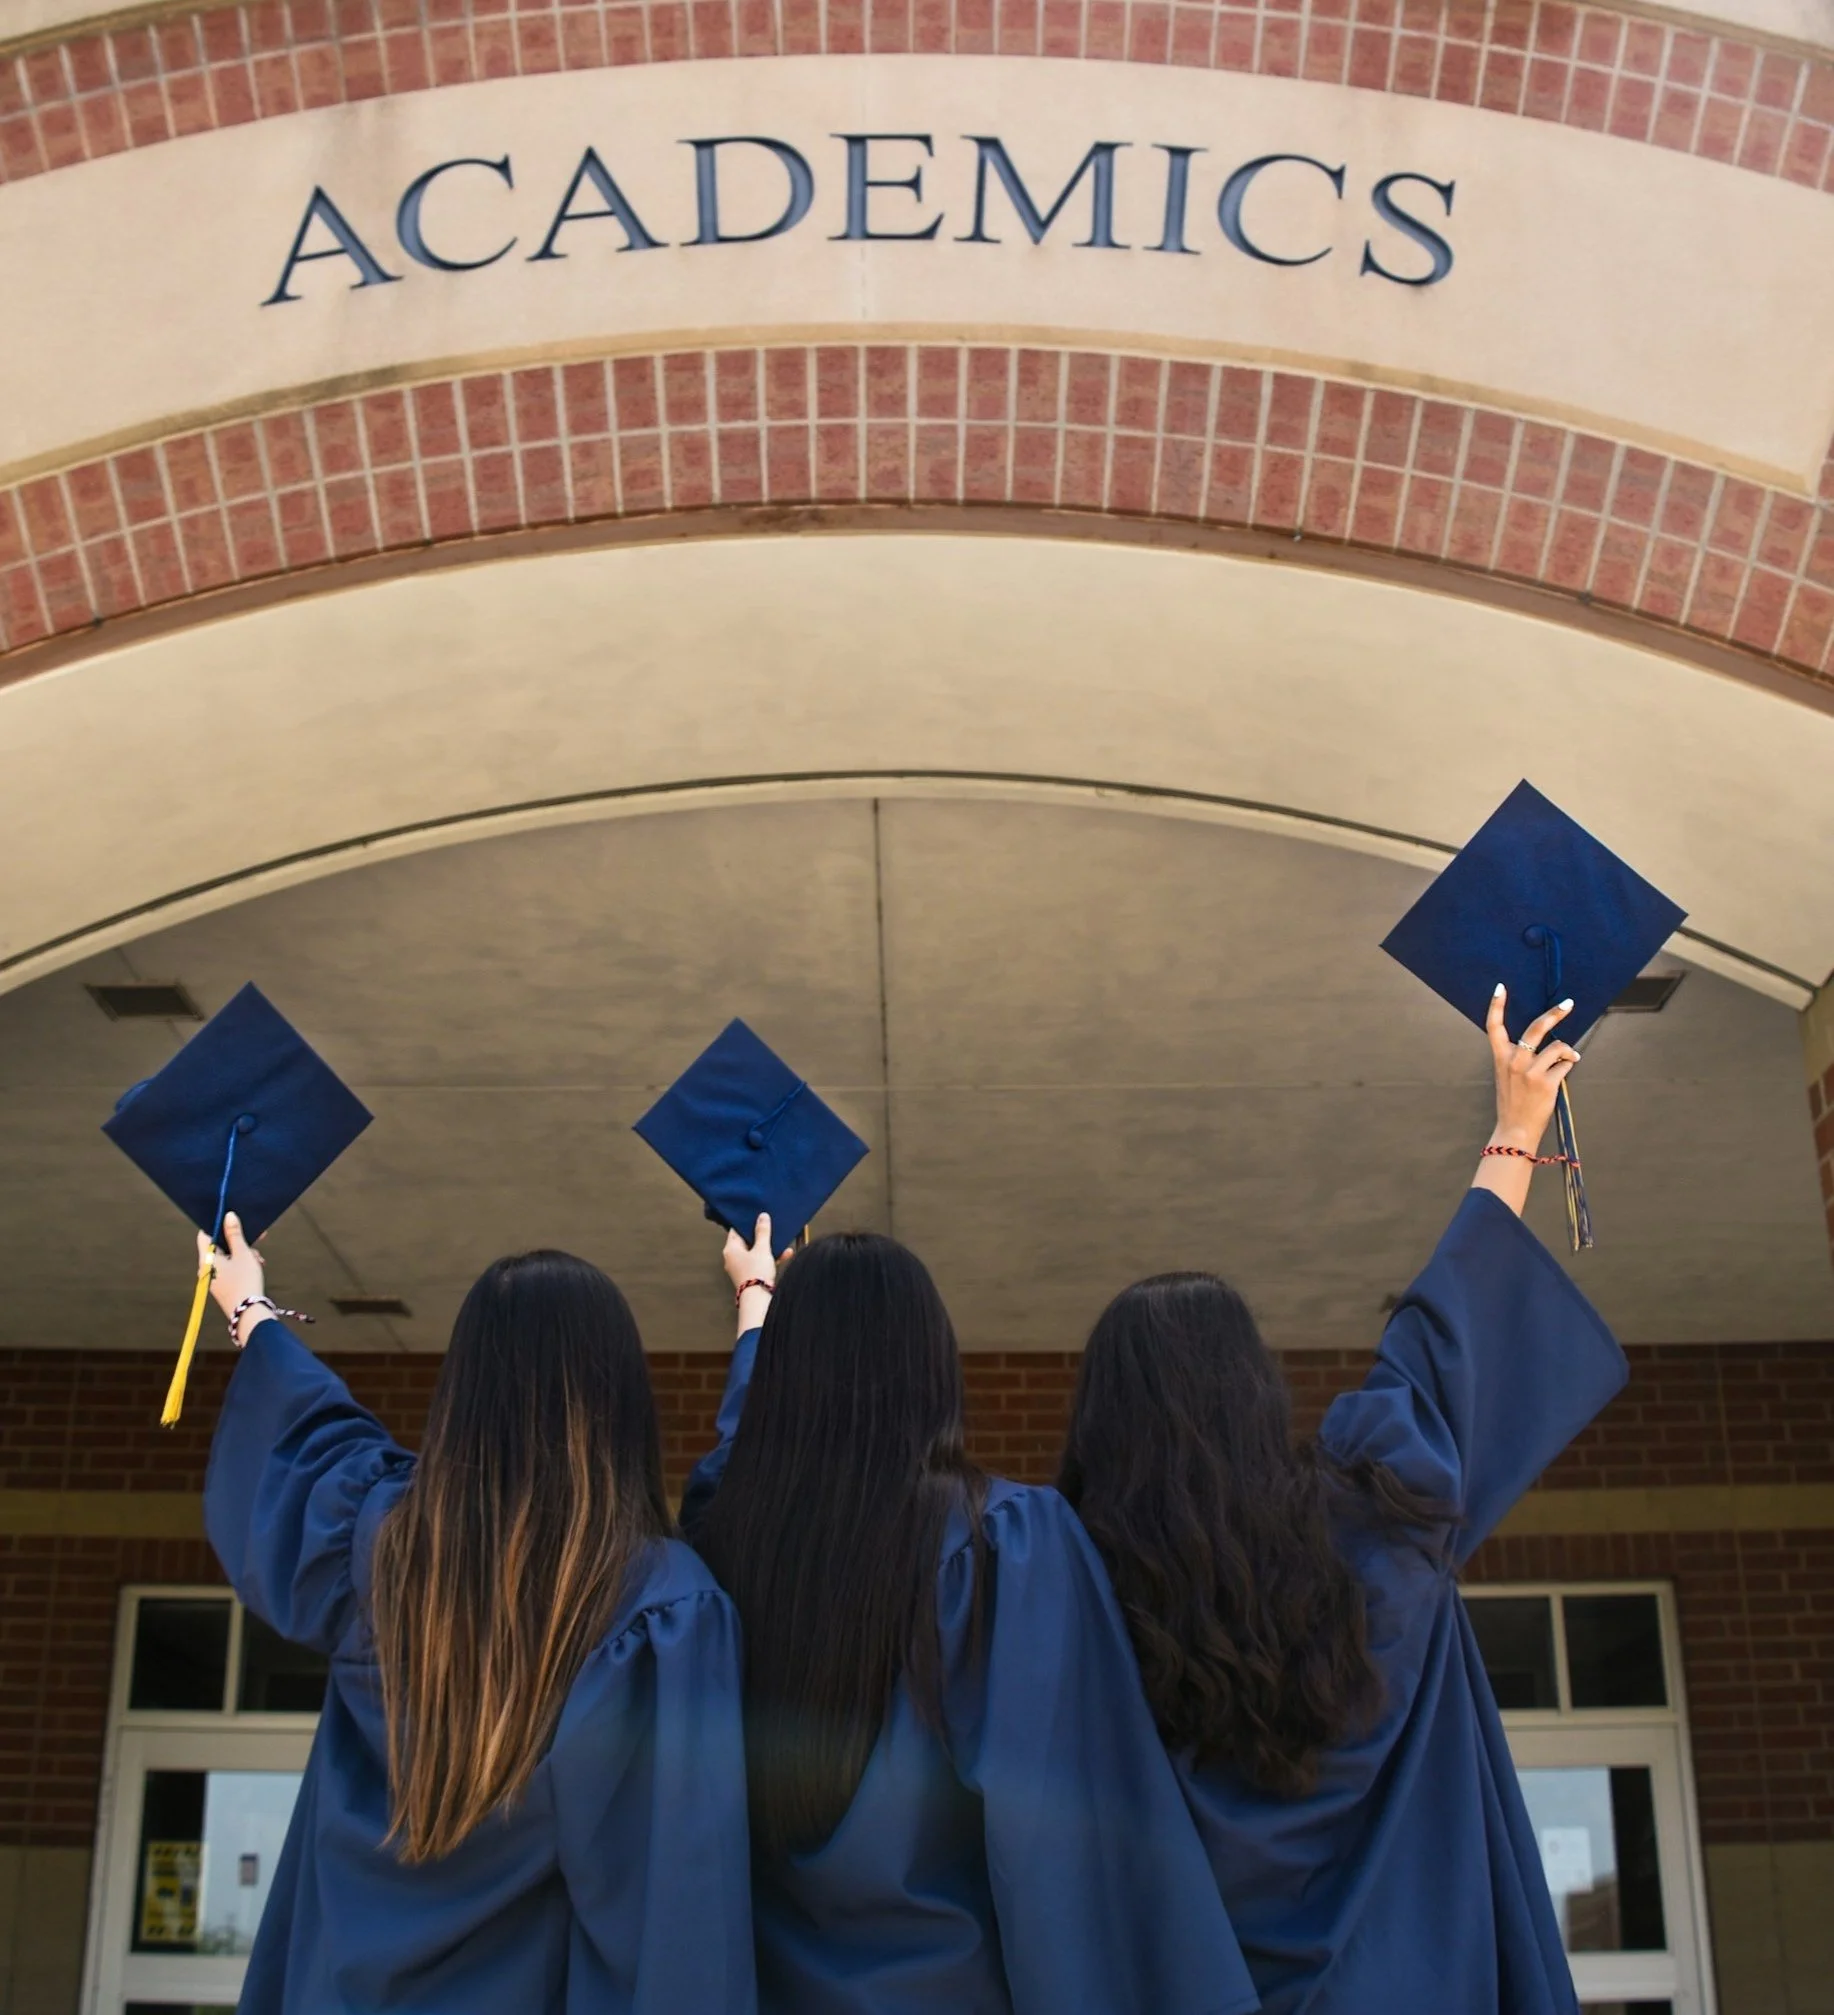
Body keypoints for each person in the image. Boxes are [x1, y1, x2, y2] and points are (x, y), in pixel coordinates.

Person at [1057, 986, 1626, 2015]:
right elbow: (1444, 1335)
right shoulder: (1373, 1519)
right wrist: (1514, 1125)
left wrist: (764, 1311)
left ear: (1100, 1427)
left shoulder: (1068, 1598)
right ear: (1255, 1393)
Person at [683, 1219, 1256, 2015]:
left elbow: (736, 1457)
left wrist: (757, 1306)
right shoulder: (1002, 1546)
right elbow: (1059, 1852)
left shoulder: (719, 1554)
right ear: (930, 1366)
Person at [201, 1218, 756, 2015]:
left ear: (463, 1390)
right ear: (621, 1397)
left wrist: (247, 1305)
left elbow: (309, 1435)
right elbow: (677, 1919)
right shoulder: (657, 1608)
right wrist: (756, 1305)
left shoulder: (376, 1548)